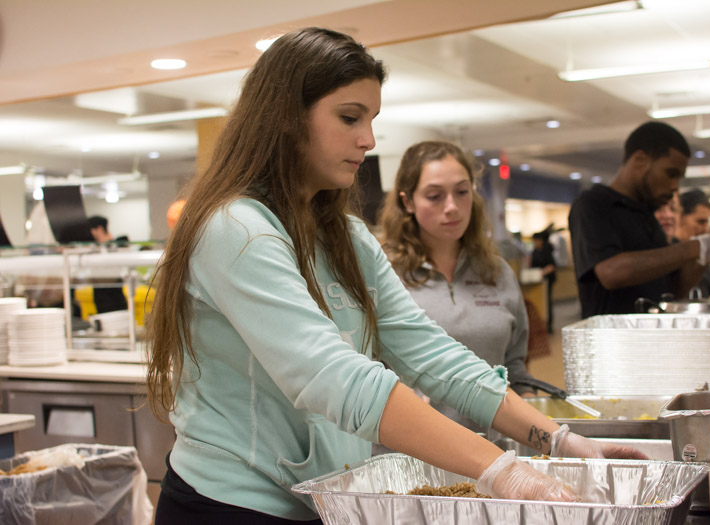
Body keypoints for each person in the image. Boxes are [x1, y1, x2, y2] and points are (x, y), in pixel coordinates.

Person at [146, 27, 646, 525]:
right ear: (286, 118)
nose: (368, 139)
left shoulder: (344, 235)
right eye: (349, 118)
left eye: (371, 119)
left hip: (321, 499)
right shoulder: (235, 229)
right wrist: (501, 469)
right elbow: (335, 379)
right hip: (229, 505)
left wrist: (559, 438)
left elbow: (430, 351)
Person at [377, 140, 539, 434]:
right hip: (413, 452)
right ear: (408, 202)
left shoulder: (497, 271)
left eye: (462, 192)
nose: (452, 207)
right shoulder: (383, 273)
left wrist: (534, 415)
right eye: (435, 196)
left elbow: (515, 368)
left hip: (493, 451)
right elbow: (364, 373)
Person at [568, 121, 710, 318]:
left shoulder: (646, 214)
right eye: (670, 174)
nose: (675, 186)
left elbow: (674, 289)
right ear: (640, 160)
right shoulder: (592, 204)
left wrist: (708, 250)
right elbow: (612, 272)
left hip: (651, 337)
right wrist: (695, 247)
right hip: (613, 342)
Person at [529, 228, 557, 334]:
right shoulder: (534, 252)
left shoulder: (547, 250)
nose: (535, 243)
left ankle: (549, 325)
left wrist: (542, 272)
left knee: (547, 302)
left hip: (547, 280)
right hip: (537, 282)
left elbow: (552, 265)